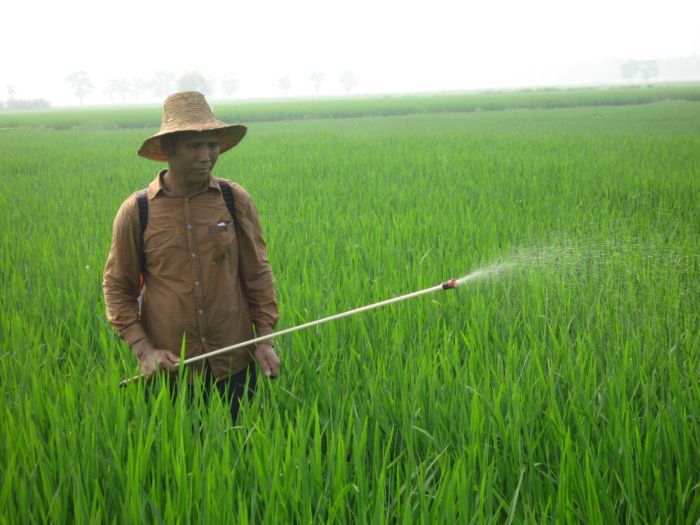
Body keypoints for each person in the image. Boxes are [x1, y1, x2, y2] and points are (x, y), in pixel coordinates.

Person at [103, 91, 280, 421]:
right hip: (172, 372)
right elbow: (117, 288)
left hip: (234, 364)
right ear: (168, 148)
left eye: (212, 145)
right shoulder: (137, 211)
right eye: (194, 146)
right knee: (179, 449)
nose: (206, 156)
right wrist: (144, 351)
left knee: (243, 446)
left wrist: (265, 339)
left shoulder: (233, 199)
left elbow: (258, 274)